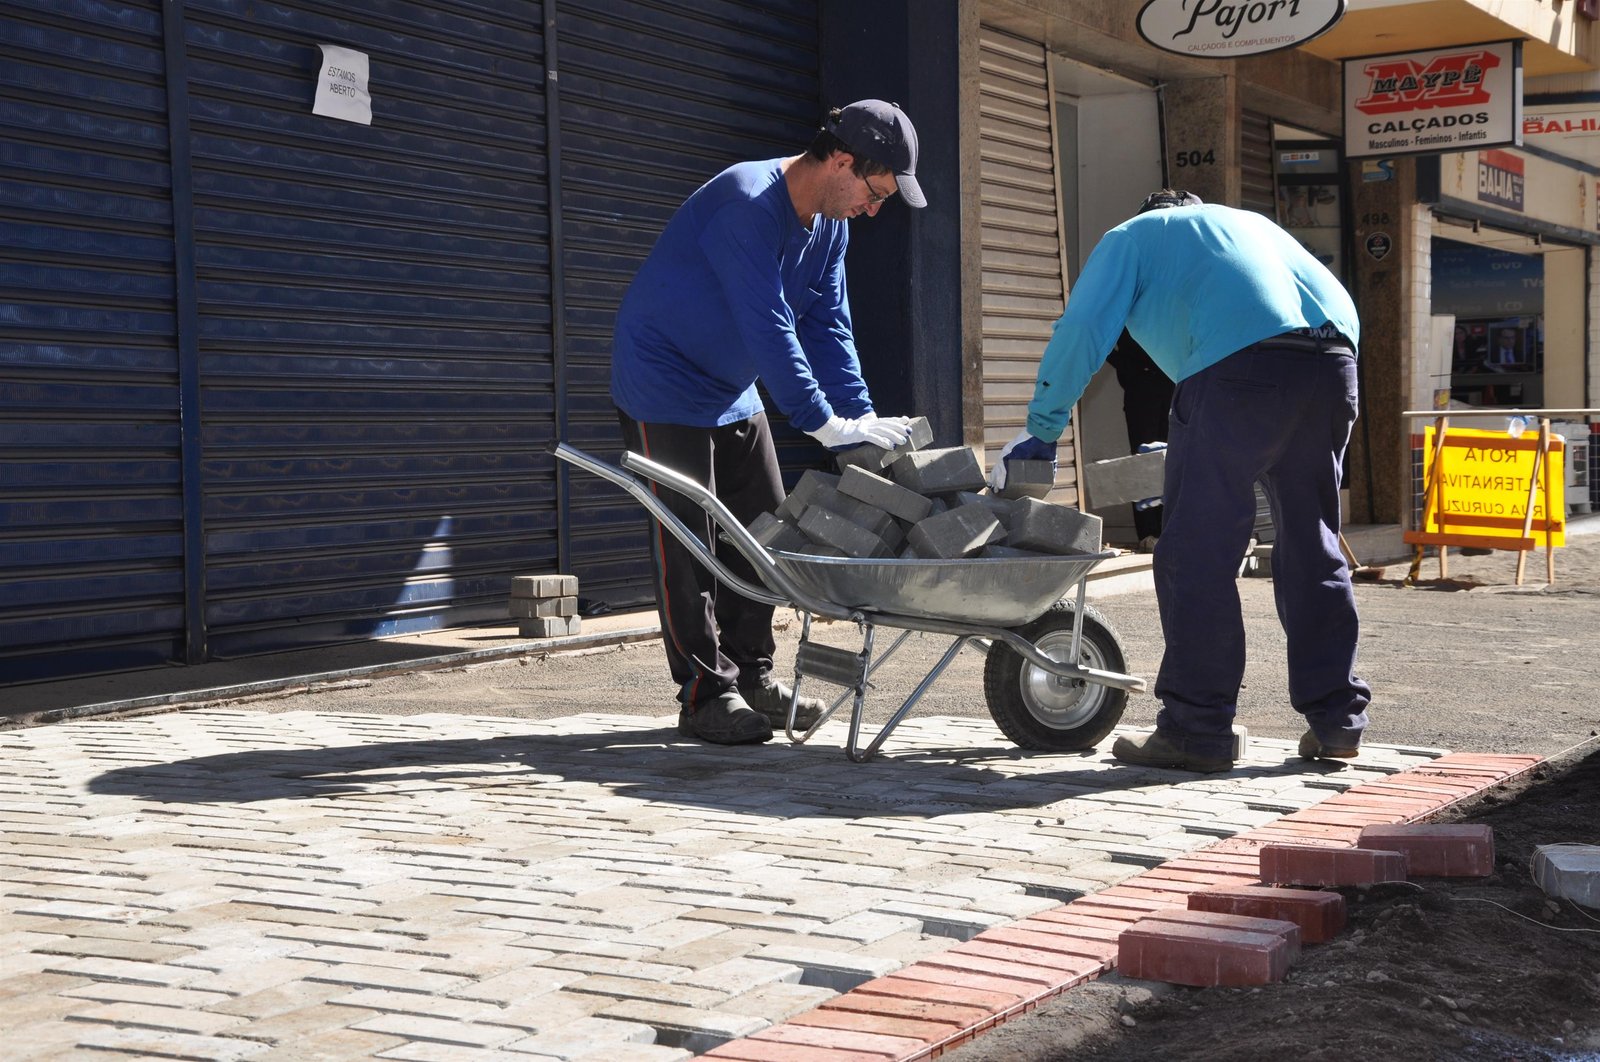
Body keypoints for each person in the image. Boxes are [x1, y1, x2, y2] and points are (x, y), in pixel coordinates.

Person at [990, 189, 1371, 773]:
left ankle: (1197, 729)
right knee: (1312, 546)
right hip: (1333, 367)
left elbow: (1084, 326)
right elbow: (1332, 304)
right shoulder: (1249, 226)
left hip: (1241, 371)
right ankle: (1338, 721)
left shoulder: (1135, 235)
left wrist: (1042, 428)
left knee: (1197, 553)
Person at [610, 100, 927, 746]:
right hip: (663, 380)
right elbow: (771, 325)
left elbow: (829, 326)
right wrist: (820, 422)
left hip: (731, 386)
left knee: (763, 530)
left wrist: (859, 418)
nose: (874, 211)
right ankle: (705, 695)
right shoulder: (747, 204)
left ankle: (752, 677)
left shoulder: (831, 226)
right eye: (875, 194)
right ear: (842, 162)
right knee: (687, 540)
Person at [1104, 329, 1174, 551]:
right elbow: (1102, 340)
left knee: (1172, 457)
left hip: (1170, 386)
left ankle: (1169, 530)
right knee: (1141, 459)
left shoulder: (1163, 315)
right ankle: (1148, 533)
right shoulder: (1124, 316)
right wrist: (1130, 369)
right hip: (1141, 390)